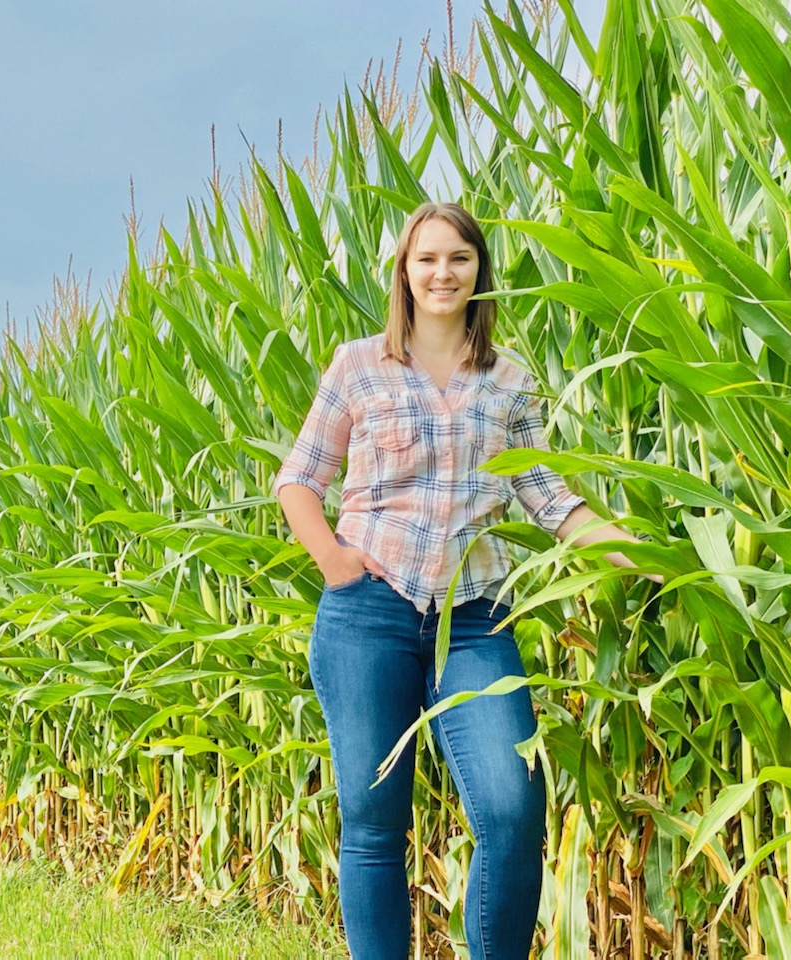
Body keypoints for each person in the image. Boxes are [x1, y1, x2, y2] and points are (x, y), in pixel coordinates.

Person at [273, 202, 656, 959]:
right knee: (375, 821)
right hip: (369, 612)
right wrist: (338, 566)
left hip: (476, 618)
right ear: (404, 273)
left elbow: (550, 499)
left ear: (480, 270)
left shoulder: (510, 381)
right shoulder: (358, 365)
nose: (442, 273)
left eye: (459, 259)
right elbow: (298, 480)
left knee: (513, 810)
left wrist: (645, 555)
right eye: (427, 259)